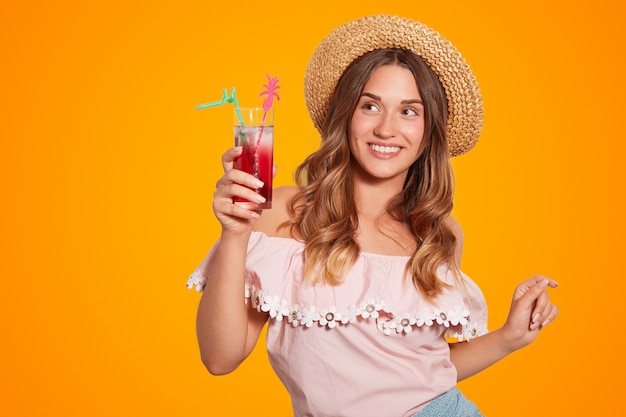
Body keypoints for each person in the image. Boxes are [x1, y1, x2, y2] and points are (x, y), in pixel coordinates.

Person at [186, 14, 559, 417]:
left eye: (409, 111)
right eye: (371, 105)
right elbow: (219, 359)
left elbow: (422, 371)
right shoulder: (280, 216)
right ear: (347, 115)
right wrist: (235, 235)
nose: (386, 128)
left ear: (429, 131)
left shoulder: (439, 234)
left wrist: (509, 337)